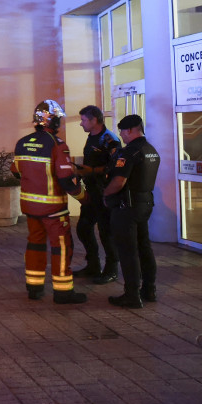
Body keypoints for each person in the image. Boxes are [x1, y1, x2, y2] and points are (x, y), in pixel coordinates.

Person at [11, 100, 89, 305]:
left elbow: (16, 172)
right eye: (58, 119)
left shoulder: (22, 142)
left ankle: (34, 288)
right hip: (53, 209)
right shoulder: (57, 145)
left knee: (35, 244)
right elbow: (65, 180)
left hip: (30, 207)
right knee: (61, 247)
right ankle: (63, 291)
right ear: (51, 121)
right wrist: (85, 199)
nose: (60, 123)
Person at [103, 114, 161, 309]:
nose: (121, 135)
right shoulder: (151, 150)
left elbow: (119, 181)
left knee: (128, 251)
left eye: (122, 131)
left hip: (126, 206)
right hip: (145, 204)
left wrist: (105, 194)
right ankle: (149, 289)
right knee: (144, 247)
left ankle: (132, 294)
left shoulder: (130, 152)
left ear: (129, 130)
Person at [73, 105, 121, 284]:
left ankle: (112, 269)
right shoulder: (92, 138)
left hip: (105, 193)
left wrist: (92, 171)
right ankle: (93, 265)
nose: (81, 123)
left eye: (84, 120)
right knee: (83, 228)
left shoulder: (109, 139)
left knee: (106, 232)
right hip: (92, 192)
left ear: (94, 120)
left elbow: (116, 166)